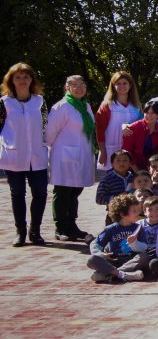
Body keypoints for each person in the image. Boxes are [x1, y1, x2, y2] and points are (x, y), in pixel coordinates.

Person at [1, 63, 49, 246]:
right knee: (17, 193)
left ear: (31, 80)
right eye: (18, 77)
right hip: (14, 156)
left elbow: (46, 126)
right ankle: (20, 231)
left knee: (40, 192)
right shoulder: (4, 103)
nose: (22, 81)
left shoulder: (40, 101)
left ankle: (35, 231)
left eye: (26, 77)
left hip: (37, 155)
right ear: (11, 80)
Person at [47, 75, 97, 242]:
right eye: (74, 85)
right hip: (64, 155)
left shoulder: (86, 106)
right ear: (67, 88)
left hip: (81, 154)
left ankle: (71, 225)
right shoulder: (61, 107)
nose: (78, 88)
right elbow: (50, 134)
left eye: (81, 84)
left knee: (75, 191)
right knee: (63, 192)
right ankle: (60, 227)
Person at [86, 194, 146, 283]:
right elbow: (95, 244)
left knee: (144, 256)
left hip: (130, 260)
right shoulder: (110, 229)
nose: (138, 213)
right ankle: (124, 275)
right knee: (92, 259)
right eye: (134, 211)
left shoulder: (139, 227)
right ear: (123, 214)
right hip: (113, 259)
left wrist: (135, 243)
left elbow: (144, 247)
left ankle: (109, 274)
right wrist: (101, 254)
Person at [94, 71, 142, 169]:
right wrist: (103, 152)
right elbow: (100, 131)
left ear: (130, 85)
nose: (122, 86)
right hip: (111, 151)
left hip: (131, 152)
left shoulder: (137, 106)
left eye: (124, 83)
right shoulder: (107, 105)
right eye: (118, 83)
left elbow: (141, 127)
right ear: (113, 86)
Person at [121, 101, 158, 172]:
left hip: (151, 168)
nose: (148, 116)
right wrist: (137, 171)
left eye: (152, 113)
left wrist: (154, 170)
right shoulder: (133, 128)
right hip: (131, 168)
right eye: (146, 112)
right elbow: (126, 152)